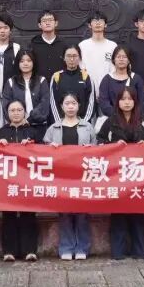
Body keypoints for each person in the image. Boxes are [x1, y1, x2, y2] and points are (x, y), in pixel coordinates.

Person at [97, 86, 144, 259]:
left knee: (138, 212)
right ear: (118, 102)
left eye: (130, 99)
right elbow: (99, 143)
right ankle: (118, 251)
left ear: (135, 101)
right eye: (123, 99)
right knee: (119, 212)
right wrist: (113, 146)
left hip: (140, 174)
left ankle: (140, 250)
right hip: (117, 174)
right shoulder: (110, 121)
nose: (127, 102)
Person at [44, 93, 96, 260]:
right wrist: (50, 147)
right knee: (65, 213)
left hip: (82, 175)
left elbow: (97, 150)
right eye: (67, 103)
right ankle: (66, 248)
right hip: (61, 176)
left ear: (78, 106)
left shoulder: (87, 127)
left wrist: (91, 149)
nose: (71, 106)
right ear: (62, 106)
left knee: (82, 213)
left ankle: (82, 248)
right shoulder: (53, 128)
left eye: (74, 103)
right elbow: (43, 151)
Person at [0, 100, 43, 261]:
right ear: (7, 113)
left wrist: (31, 146)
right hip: (7, 181)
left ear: (25, 112)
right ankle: (9, 250)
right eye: (12, 110)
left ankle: (30, 250)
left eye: (19, 110)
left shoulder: (33, 132)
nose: (16, 113)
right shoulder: (1, 132)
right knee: (8, 214)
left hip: (28, 180)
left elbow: (44, 153)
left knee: (29, 214)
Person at [1, 48, 51, 128]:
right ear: (18, 63)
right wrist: (18, 120)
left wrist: (29, 120)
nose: (25, 63)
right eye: (22, 61)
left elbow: (44, 103)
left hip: (39, 125)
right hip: (17, 126)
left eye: (29, 60)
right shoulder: (11, 82)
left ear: (33, 62)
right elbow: (6, 105)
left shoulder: (41, 80)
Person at [96, 45, 144, 120]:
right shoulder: (107, 79)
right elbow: (104, 103)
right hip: (113, 120)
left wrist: (131, 117)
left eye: (124, 57)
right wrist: (119, 117)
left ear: (129, 60)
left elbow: (142, 102)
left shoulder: (136, 79)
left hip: (134, 120)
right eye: (118, 57)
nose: (121, 59)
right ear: (113, 60)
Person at [49, 44, 96, 123]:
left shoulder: (86, 77)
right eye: (68, 56)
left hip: (82, 124)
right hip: (61, 124)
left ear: (79, 58)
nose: (71, 59)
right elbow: (52, 103)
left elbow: (91, 103)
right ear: (64, 58)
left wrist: (82, 123)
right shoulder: (56, 77)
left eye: (74, 56)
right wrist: (60, 123)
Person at [79, 10, 118, 91]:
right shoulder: (83, 45)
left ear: (105, 24)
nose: (98, 23)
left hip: (108, 88)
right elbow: (81, 67)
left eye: (101, 20)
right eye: (94, 20)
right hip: (87, 88)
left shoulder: (112, 46)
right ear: (89, 25)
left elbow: (114, 67)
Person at [29, 9, 66, 81]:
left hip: (59, 83)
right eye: (44, 21)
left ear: (56, 23)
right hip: (39, 84)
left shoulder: (63, 44)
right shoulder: (33, 44)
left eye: (50, 20)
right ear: (39, 25)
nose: (47, 23)